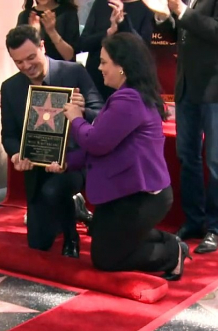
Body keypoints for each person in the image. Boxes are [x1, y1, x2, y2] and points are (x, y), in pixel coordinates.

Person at [48, 32, 190, 280]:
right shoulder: (130, 95)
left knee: (106, 259)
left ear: (122, 66)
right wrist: (66, 163)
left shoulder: (129, 98)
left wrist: (75, 118)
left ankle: (171, 253)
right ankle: (170, 242)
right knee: (106, 244)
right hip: (123, 191)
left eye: (103, 62)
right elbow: (105, 147)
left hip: (141, 196)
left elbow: (97, 142)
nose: (99, 67)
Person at [1, 25, 103, 257]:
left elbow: (101, 113)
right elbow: (8, 135)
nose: (26, 66)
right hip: (37, 167)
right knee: (38, 243)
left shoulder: (73, 72)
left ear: (42, 47)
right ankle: (76, 209)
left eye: (30, 58)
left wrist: (81, 109)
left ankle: (71, 237)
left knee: (54, 191)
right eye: (19, 62)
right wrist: (17, 154)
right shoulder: (10, 88)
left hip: (74, 161)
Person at [153, 0, 218, 253]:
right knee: (187, 155)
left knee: (216, 156)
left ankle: (217, 227)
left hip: (216, 83)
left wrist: (181, 11)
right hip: (187, 83)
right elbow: (179, 32)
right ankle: (194, 220)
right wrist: (164, 17)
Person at [79, 0, 146, 101]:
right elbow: (83, 43)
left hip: (128, 83)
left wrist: (123, 22)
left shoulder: (145, 7)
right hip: (96, 81)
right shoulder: (100, 3)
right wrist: (108, 33)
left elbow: (144, 48)